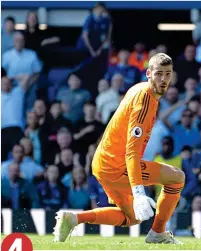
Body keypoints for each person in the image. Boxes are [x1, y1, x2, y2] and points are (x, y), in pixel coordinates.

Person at [53, 53, 184, 244]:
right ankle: (158, 233)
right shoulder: (145, 102)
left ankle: (73, 219)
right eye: (158, 74)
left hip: (103, 162)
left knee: (131, 218)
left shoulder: (139, 89)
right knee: (177, 177)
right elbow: (131, 152)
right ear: (148, 73)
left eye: (167, 74)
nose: (163, 79)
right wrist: (139, 194)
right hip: (117, 165)